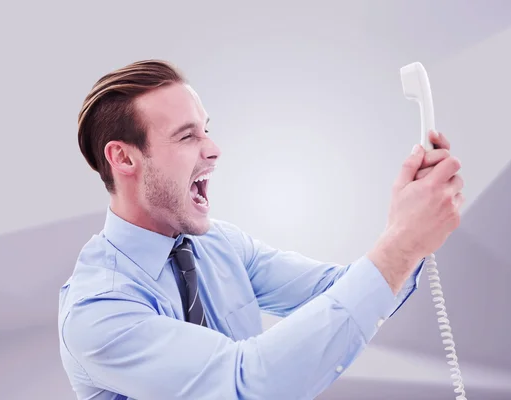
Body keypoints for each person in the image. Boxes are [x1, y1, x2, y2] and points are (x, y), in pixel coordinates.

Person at [58, 59, 464, 400]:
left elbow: (342, 290)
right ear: (124, 159)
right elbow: (245, 383)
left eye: (207, 128)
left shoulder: (220, 244)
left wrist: (408, 228)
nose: (214, 148)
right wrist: (399, 246)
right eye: (187, 136)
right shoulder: (98, 308)